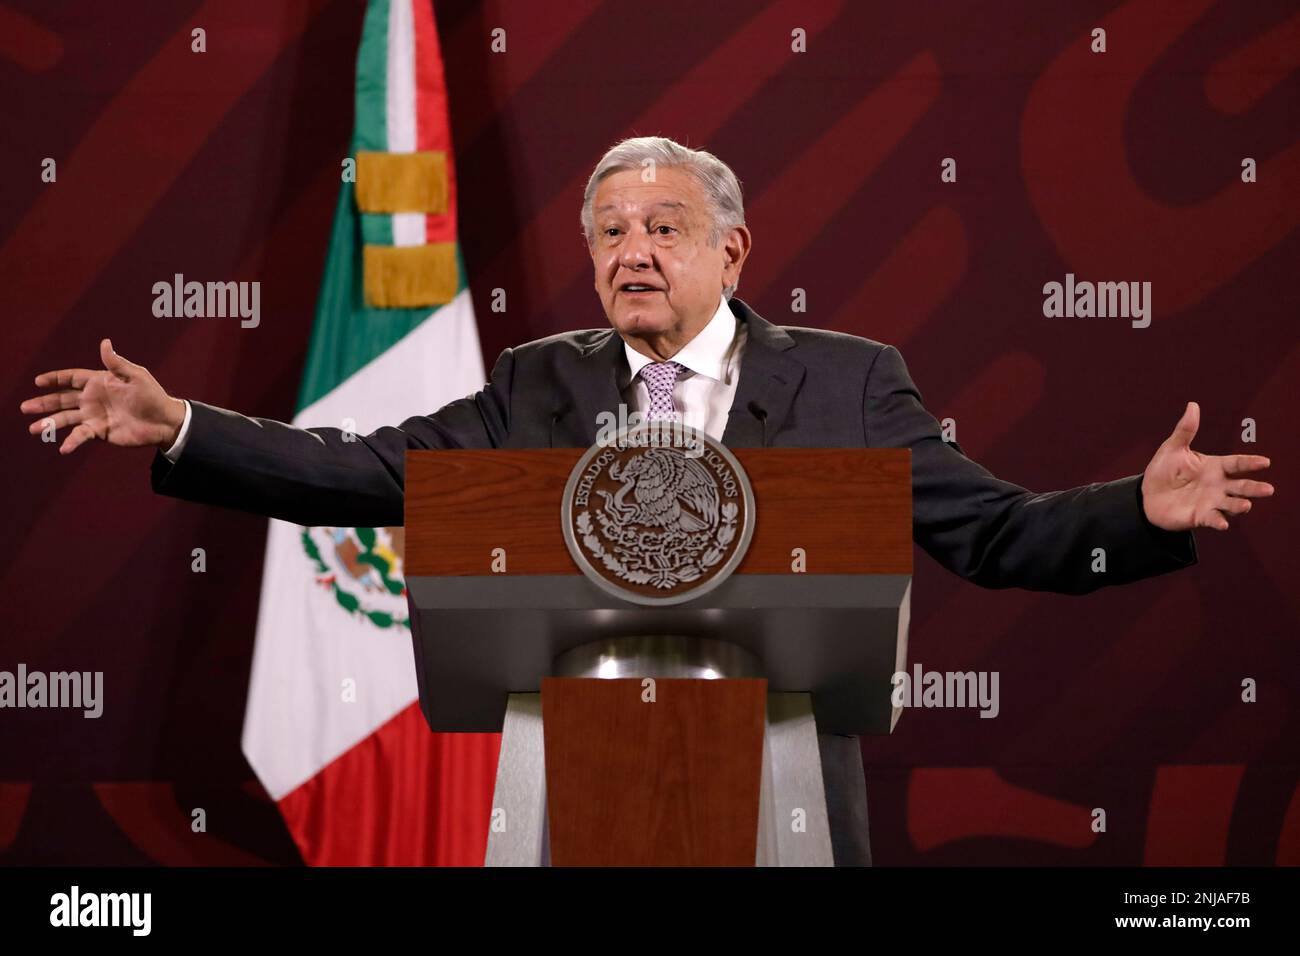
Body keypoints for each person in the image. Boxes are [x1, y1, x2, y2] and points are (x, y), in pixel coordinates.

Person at [21, 136, 1275, 866]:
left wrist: (1137, 515)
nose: (632, 248)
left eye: (665, 226)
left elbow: (994, 534)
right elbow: (372, 471)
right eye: (610, 227)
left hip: (783, 778)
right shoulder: (535, 383)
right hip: (566, 769)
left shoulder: (845, 380)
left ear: (731, 251)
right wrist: (182, 426)